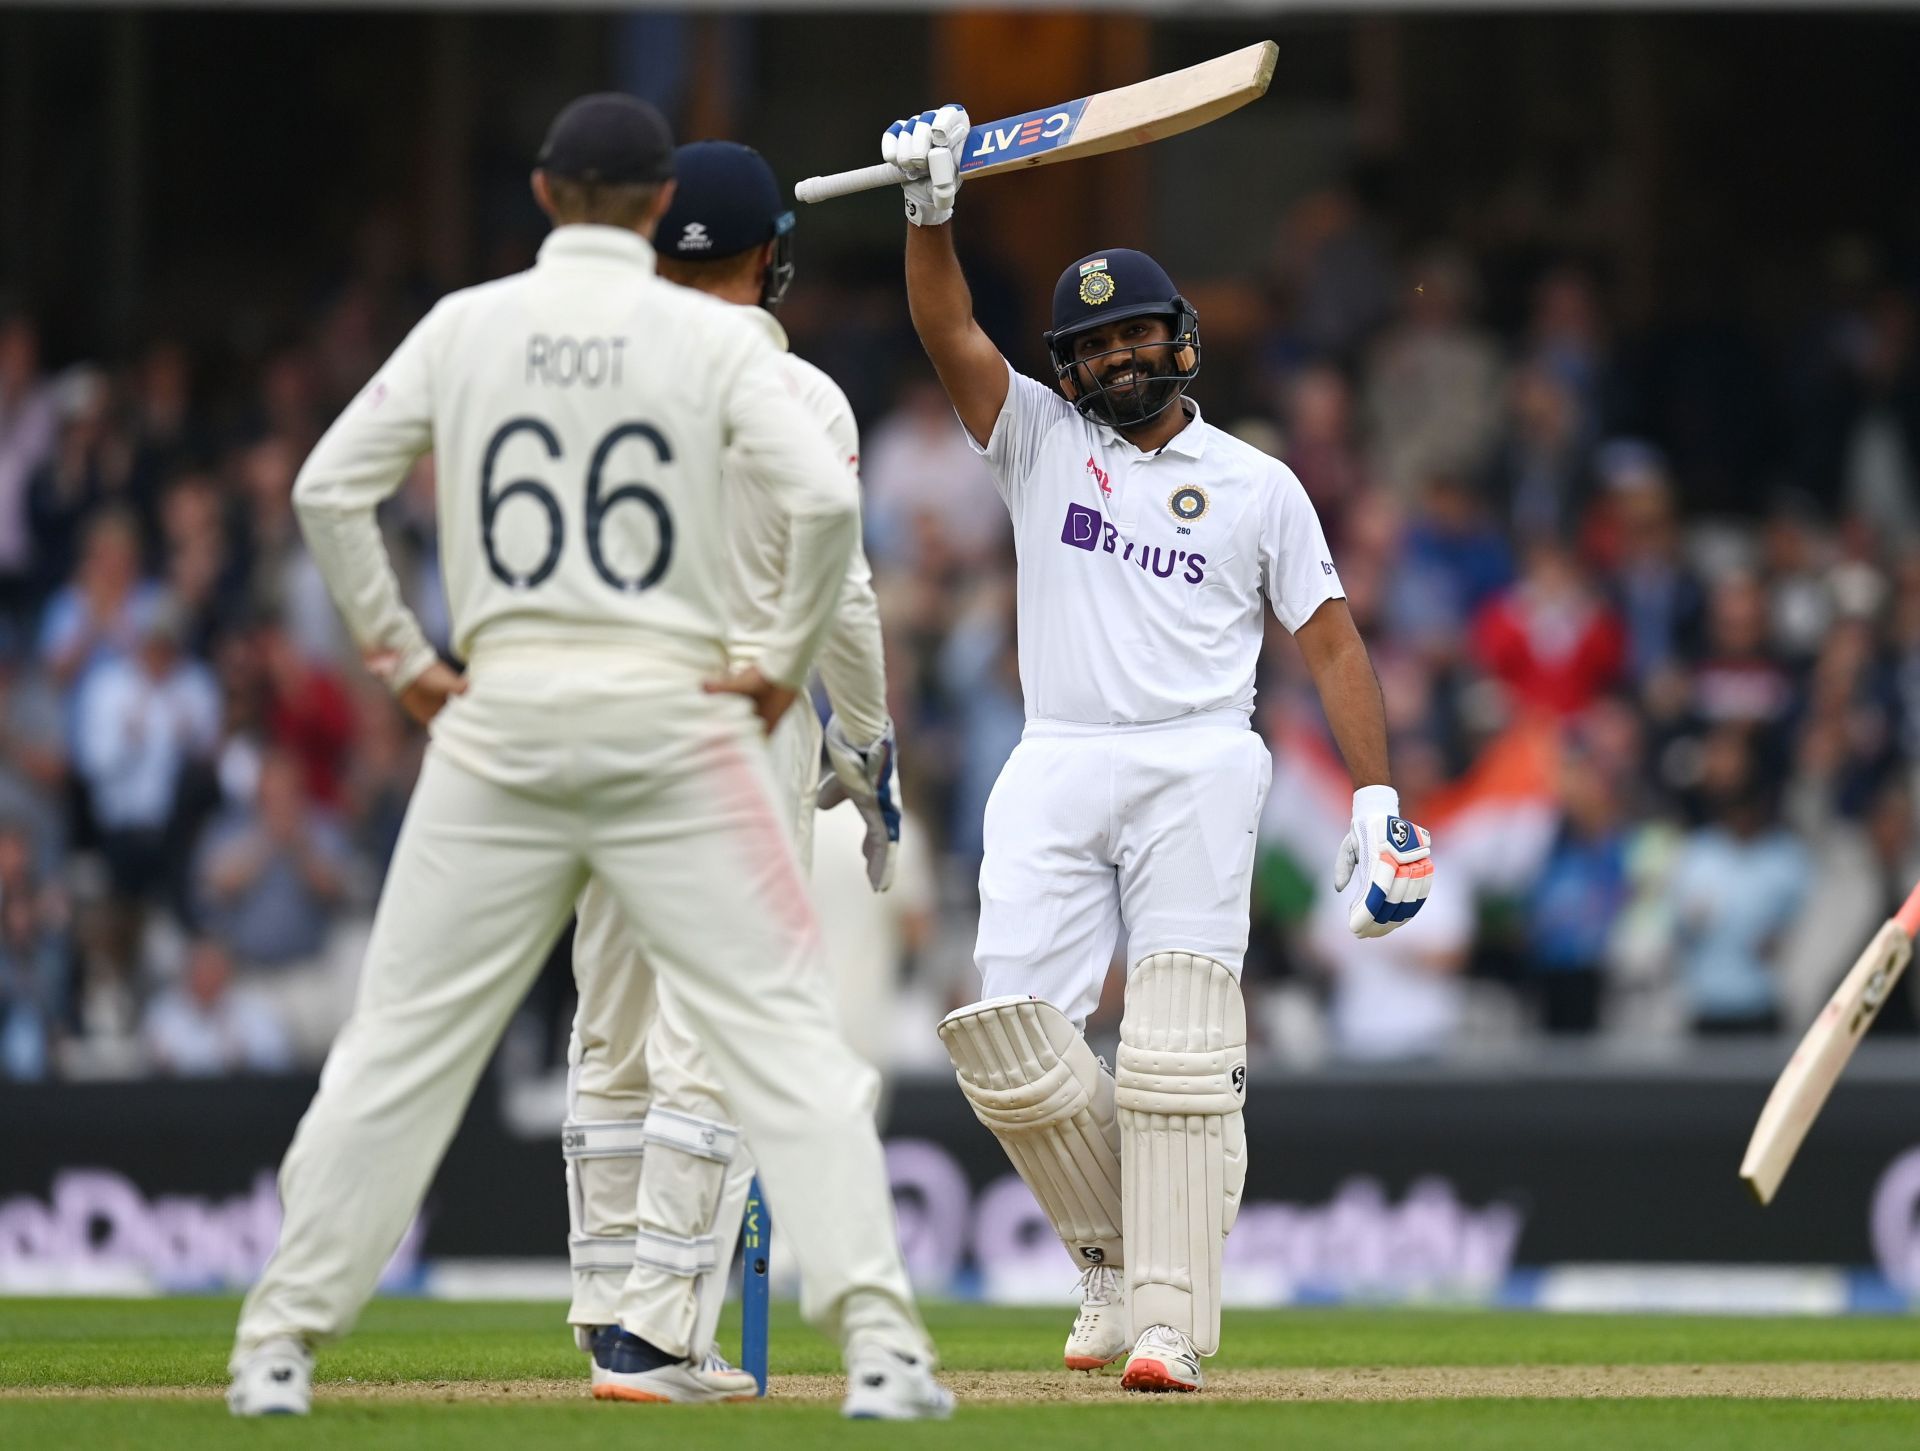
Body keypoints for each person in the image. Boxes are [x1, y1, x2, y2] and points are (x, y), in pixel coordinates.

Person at [226, 95, 947, 1422]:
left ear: (550, 198)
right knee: (741, 1039)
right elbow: (836, 550)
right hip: (702, 717)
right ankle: (709, 1331)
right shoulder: (746, 370)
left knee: (462, 1039)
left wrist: (407, 662)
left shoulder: (474, 327)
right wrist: (845, 718)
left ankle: (316, 1333)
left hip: (505, 711)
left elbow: (329, 488)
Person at [881, 106, 1435, 1392]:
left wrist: (1375, 798)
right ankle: (1115, 1253)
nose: (1122, 355)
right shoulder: (1035, 443)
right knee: (1010, 1034)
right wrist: (928, 209)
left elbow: (1336, 644)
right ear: (1068, 368)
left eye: (1138, 331)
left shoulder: (1257, 482)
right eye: (1094, 344)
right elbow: (945, 327)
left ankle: (1168, 1320)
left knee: (1179, 1047)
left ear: (1180, 337)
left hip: (1201, 755)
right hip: (1060, 751)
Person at [558, 139, 903, 1405]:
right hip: (729, 726)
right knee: (714, 1029)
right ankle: (657, 1336)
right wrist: (867, 749)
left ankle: (607, 1309)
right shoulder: (804, 400)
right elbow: (846, 603)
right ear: (773, 256)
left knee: (615, 1020)